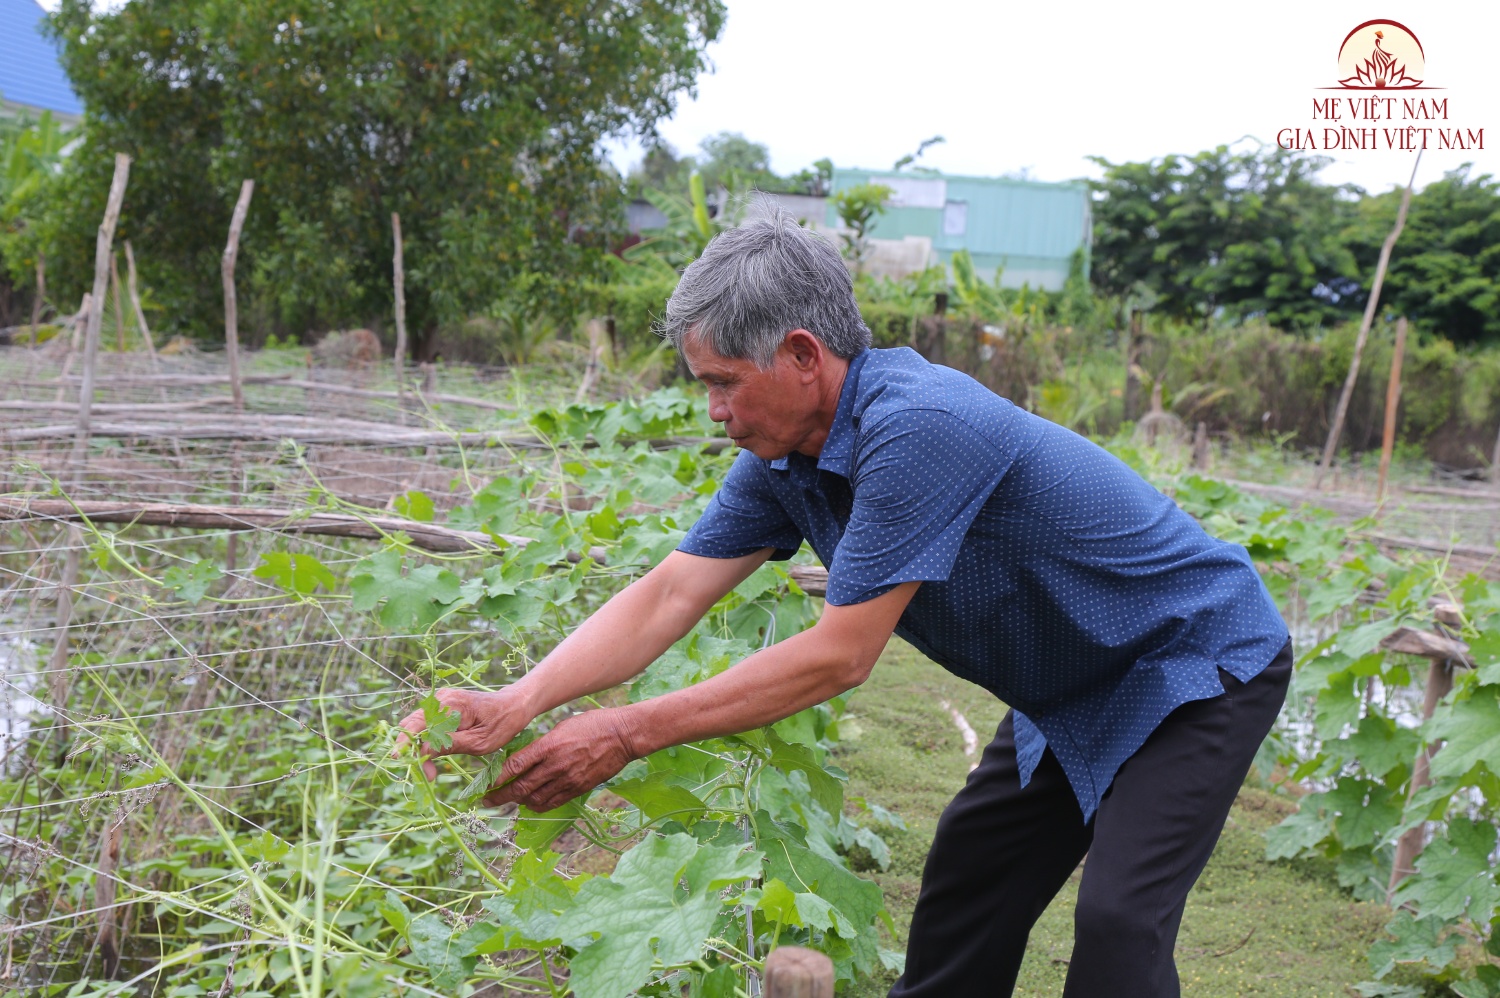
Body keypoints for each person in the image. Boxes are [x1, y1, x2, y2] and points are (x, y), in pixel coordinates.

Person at [395, 212, 1292, 997]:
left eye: (722, 382)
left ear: (800, 355)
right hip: (1073, 682)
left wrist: (626, 731)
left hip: (1190, 660)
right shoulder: (784, 458)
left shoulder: (920, 426)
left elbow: (840, 655)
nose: (713, 410)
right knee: (970, 881)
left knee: (1119, 923)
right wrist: (519, 701)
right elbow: (672, 592)